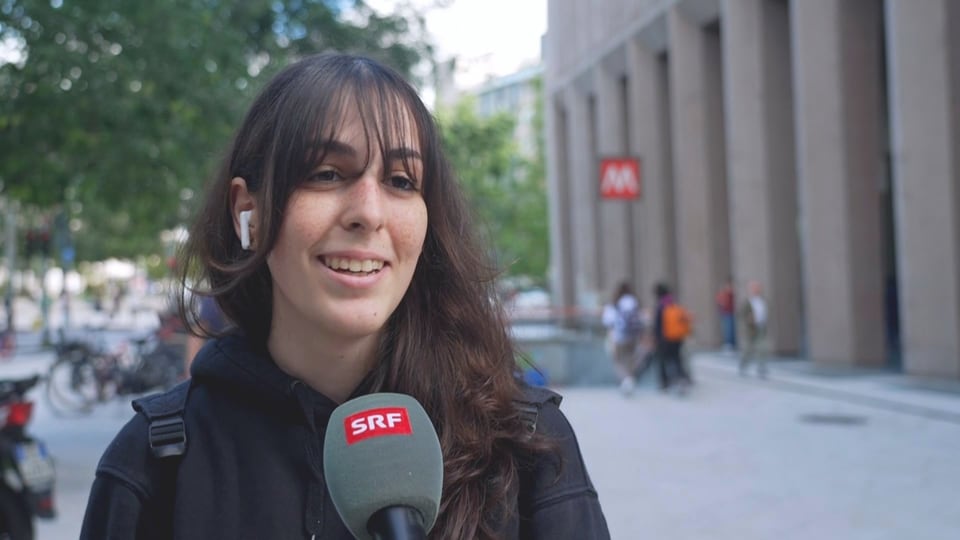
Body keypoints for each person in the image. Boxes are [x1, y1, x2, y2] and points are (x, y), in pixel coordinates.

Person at [79, 53, 609, 539]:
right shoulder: (155, 462)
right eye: (327, 173)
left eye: (402, 180)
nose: (369, 212)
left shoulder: (527, 442)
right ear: (249, 211)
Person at [601, 281, 643, 396]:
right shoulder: (634, 302)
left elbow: (608, 321)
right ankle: (629, 379)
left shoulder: (615, 303)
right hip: (633, 337)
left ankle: (626, 380)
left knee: (618, 360)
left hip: (618, 337)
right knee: (630, 359)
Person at [652, 282, 692, 392]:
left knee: (662, 360)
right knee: (677, 358)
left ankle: (665, 383)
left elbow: (658, 324)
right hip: (678, 337)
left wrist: (656, 337)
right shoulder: (673, 302)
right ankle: (682, 379)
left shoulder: (661, 305)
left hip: (665, 338)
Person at [738, 280, 769, 378]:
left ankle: (761, 368)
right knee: (748, 350)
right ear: (750, 290)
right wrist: (748, 319)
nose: (756, 290)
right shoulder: (747, 302)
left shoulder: (763, 300)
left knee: (762, 348)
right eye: (754, 288)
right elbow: (740, 314)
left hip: (761, 328)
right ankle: (743, 364)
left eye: (758, 288)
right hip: (751, 329)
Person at [715, 277, 736, 352]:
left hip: (731, 312)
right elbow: (720, 302)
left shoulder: (731, 293)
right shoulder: (725, 293)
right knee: (728, 328)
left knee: (731, 328)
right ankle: (729, 344)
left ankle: (732, 343)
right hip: (726, 313)